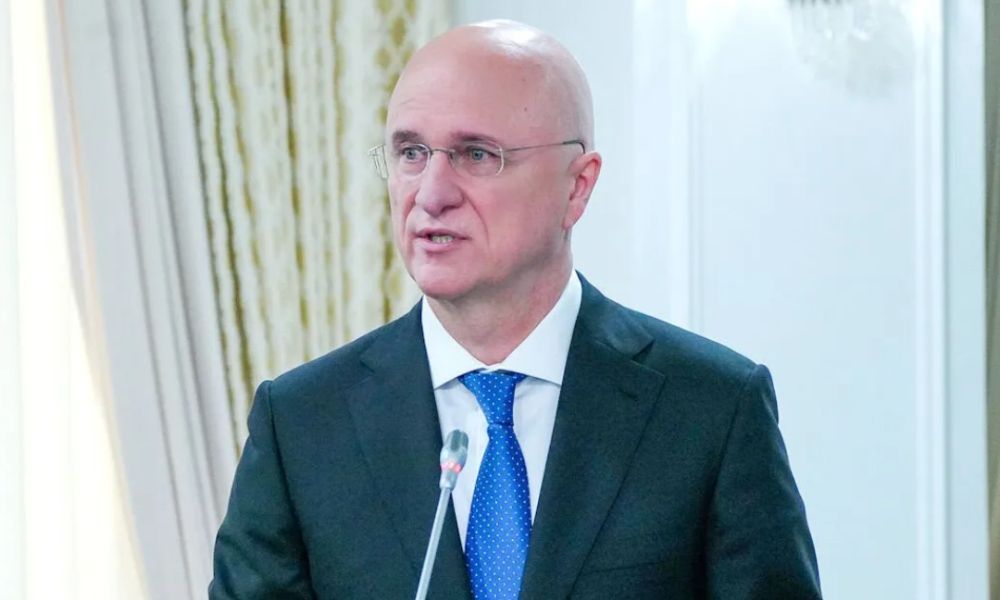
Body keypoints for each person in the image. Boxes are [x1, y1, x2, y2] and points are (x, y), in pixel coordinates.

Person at [210, 19, 821, 600]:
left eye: (477, 154)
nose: (431, 194)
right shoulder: (302, 425)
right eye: (411, 153)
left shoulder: (711, 408)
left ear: (577, 186)